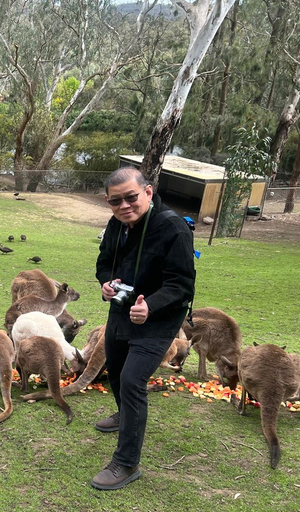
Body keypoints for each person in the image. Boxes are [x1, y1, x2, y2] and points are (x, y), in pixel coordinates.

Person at [92, 167, 196, 490]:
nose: (124, 206)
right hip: (123, 308)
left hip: (159, 318)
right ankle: (127, 418)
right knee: (114, 370)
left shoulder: (173, 229)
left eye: (131, 197)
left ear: (148, 193)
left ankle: (126, 463)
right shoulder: (116, 225)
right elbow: (104, 261)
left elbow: (182, 285)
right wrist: (105, 283)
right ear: (108, 203)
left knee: (132, 379)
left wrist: (151, 305)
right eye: (116, 201)